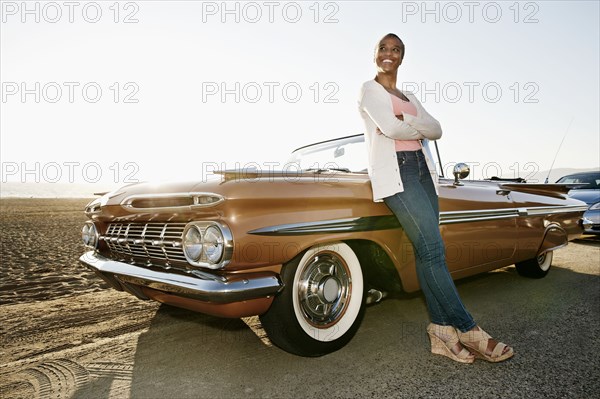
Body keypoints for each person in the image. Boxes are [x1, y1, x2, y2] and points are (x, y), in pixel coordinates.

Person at [357, 33, 514, 363]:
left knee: (429, 251)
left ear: (402, 57)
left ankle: (441, 331)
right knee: (431, 249)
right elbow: (390, 128)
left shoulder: (409, 94)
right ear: (375, 55)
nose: (389, 54)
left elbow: (437, 129)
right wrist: (415, 126)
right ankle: (468, 328)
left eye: (395, 49)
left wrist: (408, 121)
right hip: (397, 173)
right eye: (383, 48)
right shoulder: (369, 89)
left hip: (423, 173)